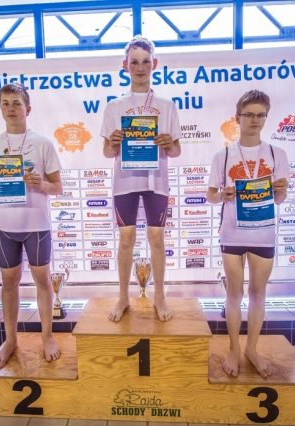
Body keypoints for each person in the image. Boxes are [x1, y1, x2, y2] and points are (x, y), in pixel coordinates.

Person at [0, 83, 63, 368]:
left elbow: (58, 187)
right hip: (5, 227)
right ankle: (11, 339)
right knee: (9, 283)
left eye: (16, 103)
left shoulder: (43, 143)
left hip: (36, 225)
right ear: (0, 108)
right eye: (6, 103)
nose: (11, 108)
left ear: (28, 108)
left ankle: (47, 336)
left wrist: (42, 184)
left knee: (42, 281)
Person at [206, 90, 290, 378]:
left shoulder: (277, 154)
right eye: (249, 115)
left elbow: (280, 199)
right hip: (232, 234)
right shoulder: (223, 155)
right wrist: (223, 195)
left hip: (263, 235)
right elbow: (210, 195)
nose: (255, 120)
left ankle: (251, 349)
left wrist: (280, 191)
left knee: (257, 294)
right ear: (237, 117)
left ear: (266, 118)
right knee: (234, 293)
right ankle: (233, 348)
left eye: (260, 115)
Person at [101, 35, 182, 322]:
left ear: (154, 64)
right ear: (125, 65)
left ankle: (159, 296)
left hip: (155, 180)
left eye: (145, 62)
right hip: (125, 181)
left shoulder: (167, 106)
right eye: (134, 62)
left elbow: (176, 150)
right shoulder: (114, 106)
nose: (140, 67)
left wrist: (168, 143)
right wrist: (113, 142)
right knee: (126, 238)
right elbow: (107, 152)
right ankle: (123, 296)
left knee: (156, 237)